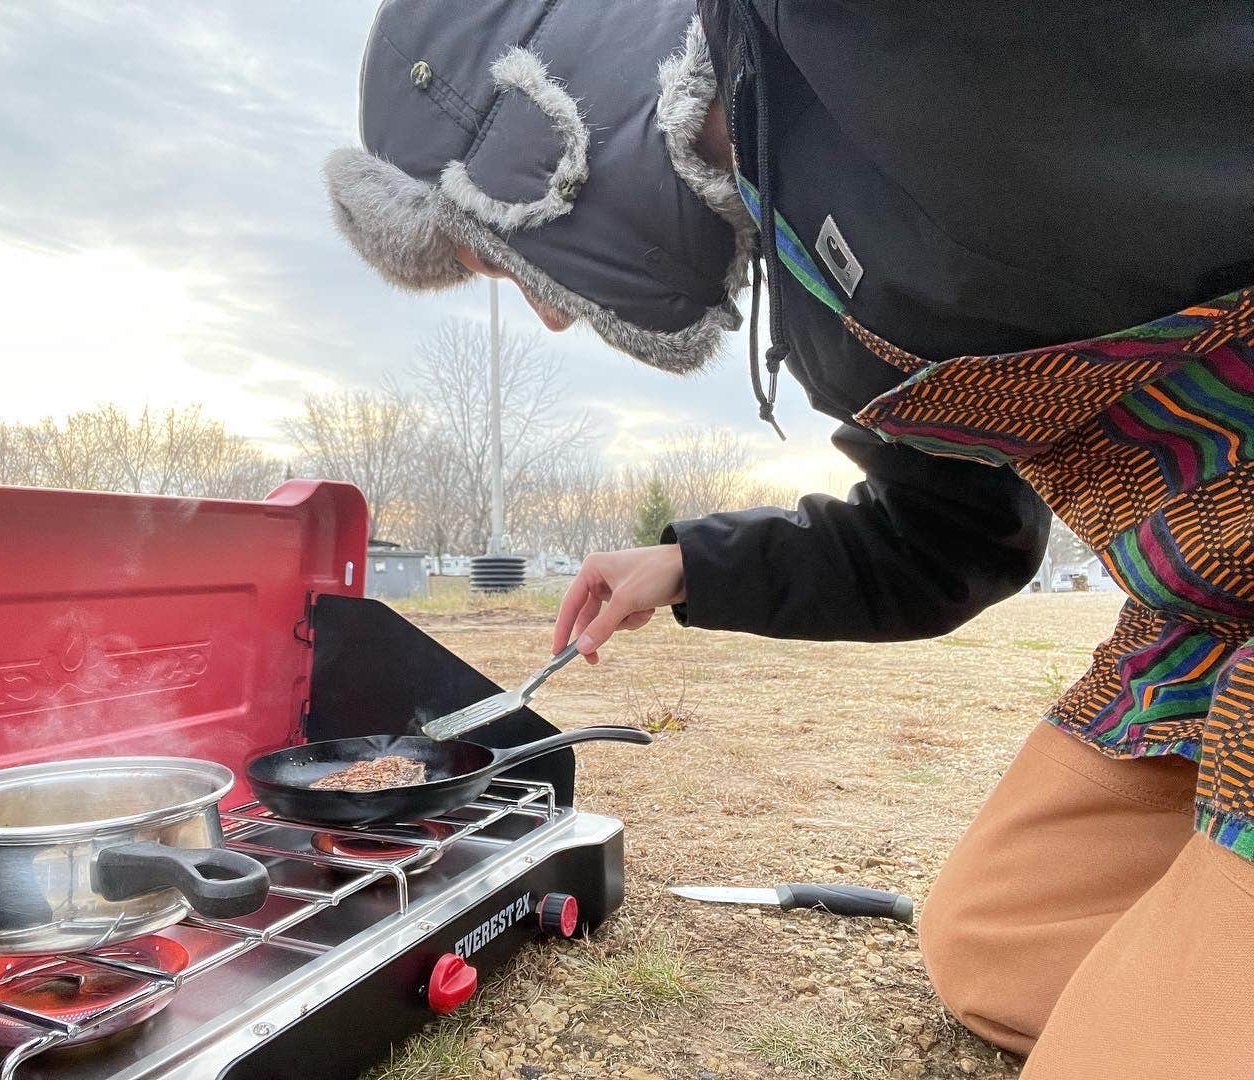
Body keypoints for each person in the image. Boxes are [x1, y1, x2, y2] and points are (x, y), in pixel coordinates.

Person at [324, 2, 1254, 1076]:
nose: (545, 317)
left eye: (495, 260)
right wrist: (688, 566)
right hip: (1211, 601)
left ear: (541, 137)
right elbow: (949, 545)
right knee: (996, 949)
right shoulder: (821, 317)